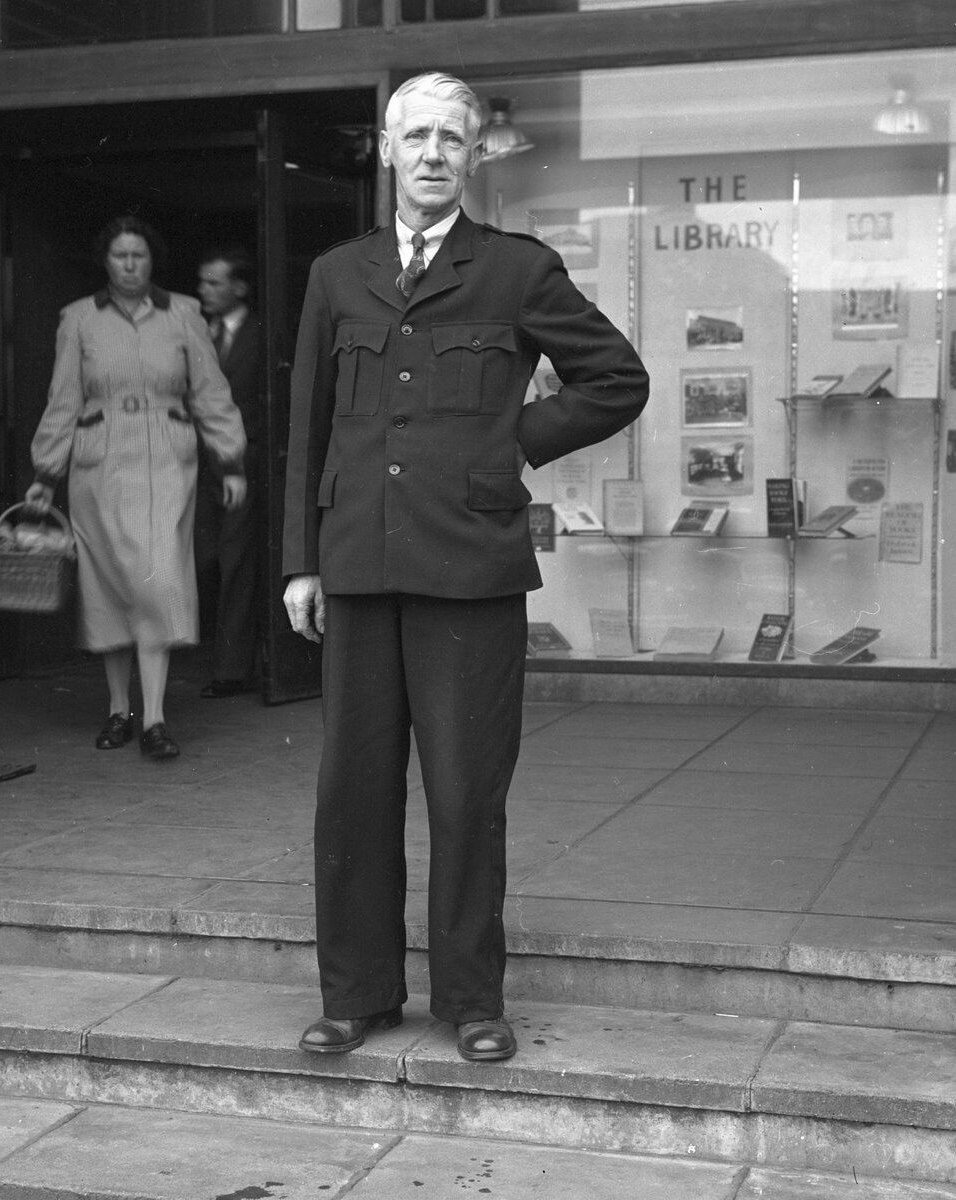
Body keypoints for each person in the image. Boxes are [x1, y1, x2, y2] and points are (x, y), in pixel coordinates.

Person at [281, 73, 648, 1062]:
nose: (435, 153)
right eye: (418, 137)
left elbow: (617, 379)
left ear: (475, 154)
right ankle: (356, 994)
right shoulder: (335, 273)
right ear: (388, 149)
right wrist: (297, 565)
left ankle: (470, 1001)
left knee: (464, 793)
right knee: (351, 794)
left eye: (454, 137)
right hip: (356, 563)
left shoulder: (516, 270)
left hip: (471, 570)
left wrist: (514, 441)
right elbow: (306, 425)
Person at [25, 215, 246, 760]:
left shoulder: (185, 315)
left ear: (153, 262)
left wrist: (231, 460)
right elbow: (62, 399)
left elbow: (212, 394)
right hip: (100, 463)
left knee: (157, 580)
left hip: (169, 460)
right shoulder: (77, 320)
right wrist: (44, 473)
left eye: (139, 256)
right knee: (110, 587)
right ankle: (117, 710)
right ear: (105, 261)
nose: (129, 265)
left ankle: (155, 719)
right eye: (120, 256)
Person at [194, 247, 265, 699]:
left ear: (239, 287)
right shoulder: (195, 331)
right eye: (202, 282)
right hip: (194, 464)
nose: (204, 290)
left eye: (214, 282)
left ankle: (231, 669)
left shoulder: (264, 333)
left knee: (236, 562)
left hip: (246, 464)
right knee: (200, 558)